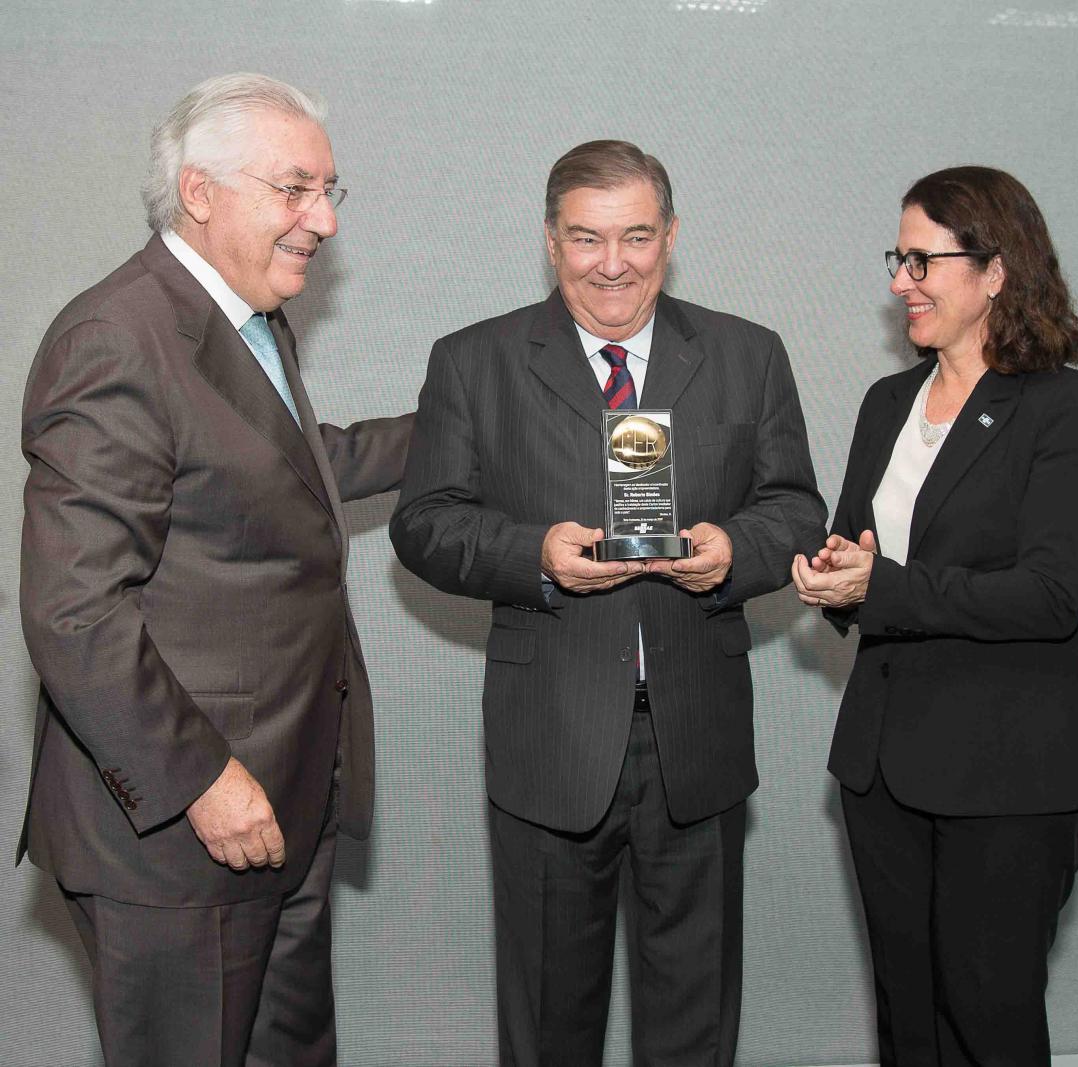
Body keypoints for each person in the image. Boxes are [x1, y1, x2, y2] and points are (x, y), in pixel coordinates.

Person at [389, 139, 826, 1065]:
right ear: (551, 242)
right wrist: (532, 555)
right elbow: (424, 524)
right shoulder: (475, 360)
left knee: (694, 1022)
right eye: (587, 239)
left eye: (636, 236)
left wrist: (733, 551)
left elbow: (794, 508)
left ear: (672, 235)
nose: (613, 264)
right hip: (549, 734)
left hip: (695, 737)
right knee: (550, 1024)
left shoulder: (747, 355)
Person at [17, 73, 413, 1067]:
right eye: (295, 189)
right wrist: (200, 779)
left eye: (329, 192)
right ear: (200, 191)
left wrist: (469, 425)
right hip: (185, 830)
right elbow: (75, 608)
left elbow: (288, 466)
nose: (322, 219)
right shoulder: (120, 336)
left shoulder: (240, 320)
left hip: (280, 798)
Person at [792, 165, 1078, 1065]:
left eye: (922, 260)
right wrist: (831, 578)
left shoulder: (1067, 407)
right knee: (908, 1024)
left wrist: (880, 585)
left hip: (1008, 776)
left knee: (989, 1021)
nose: (900, 282)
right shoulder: (887, 402)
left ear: (997, 271)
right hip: (882, 768)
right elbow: (863, 546)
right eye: (898, 259)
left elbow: (1053, 594)